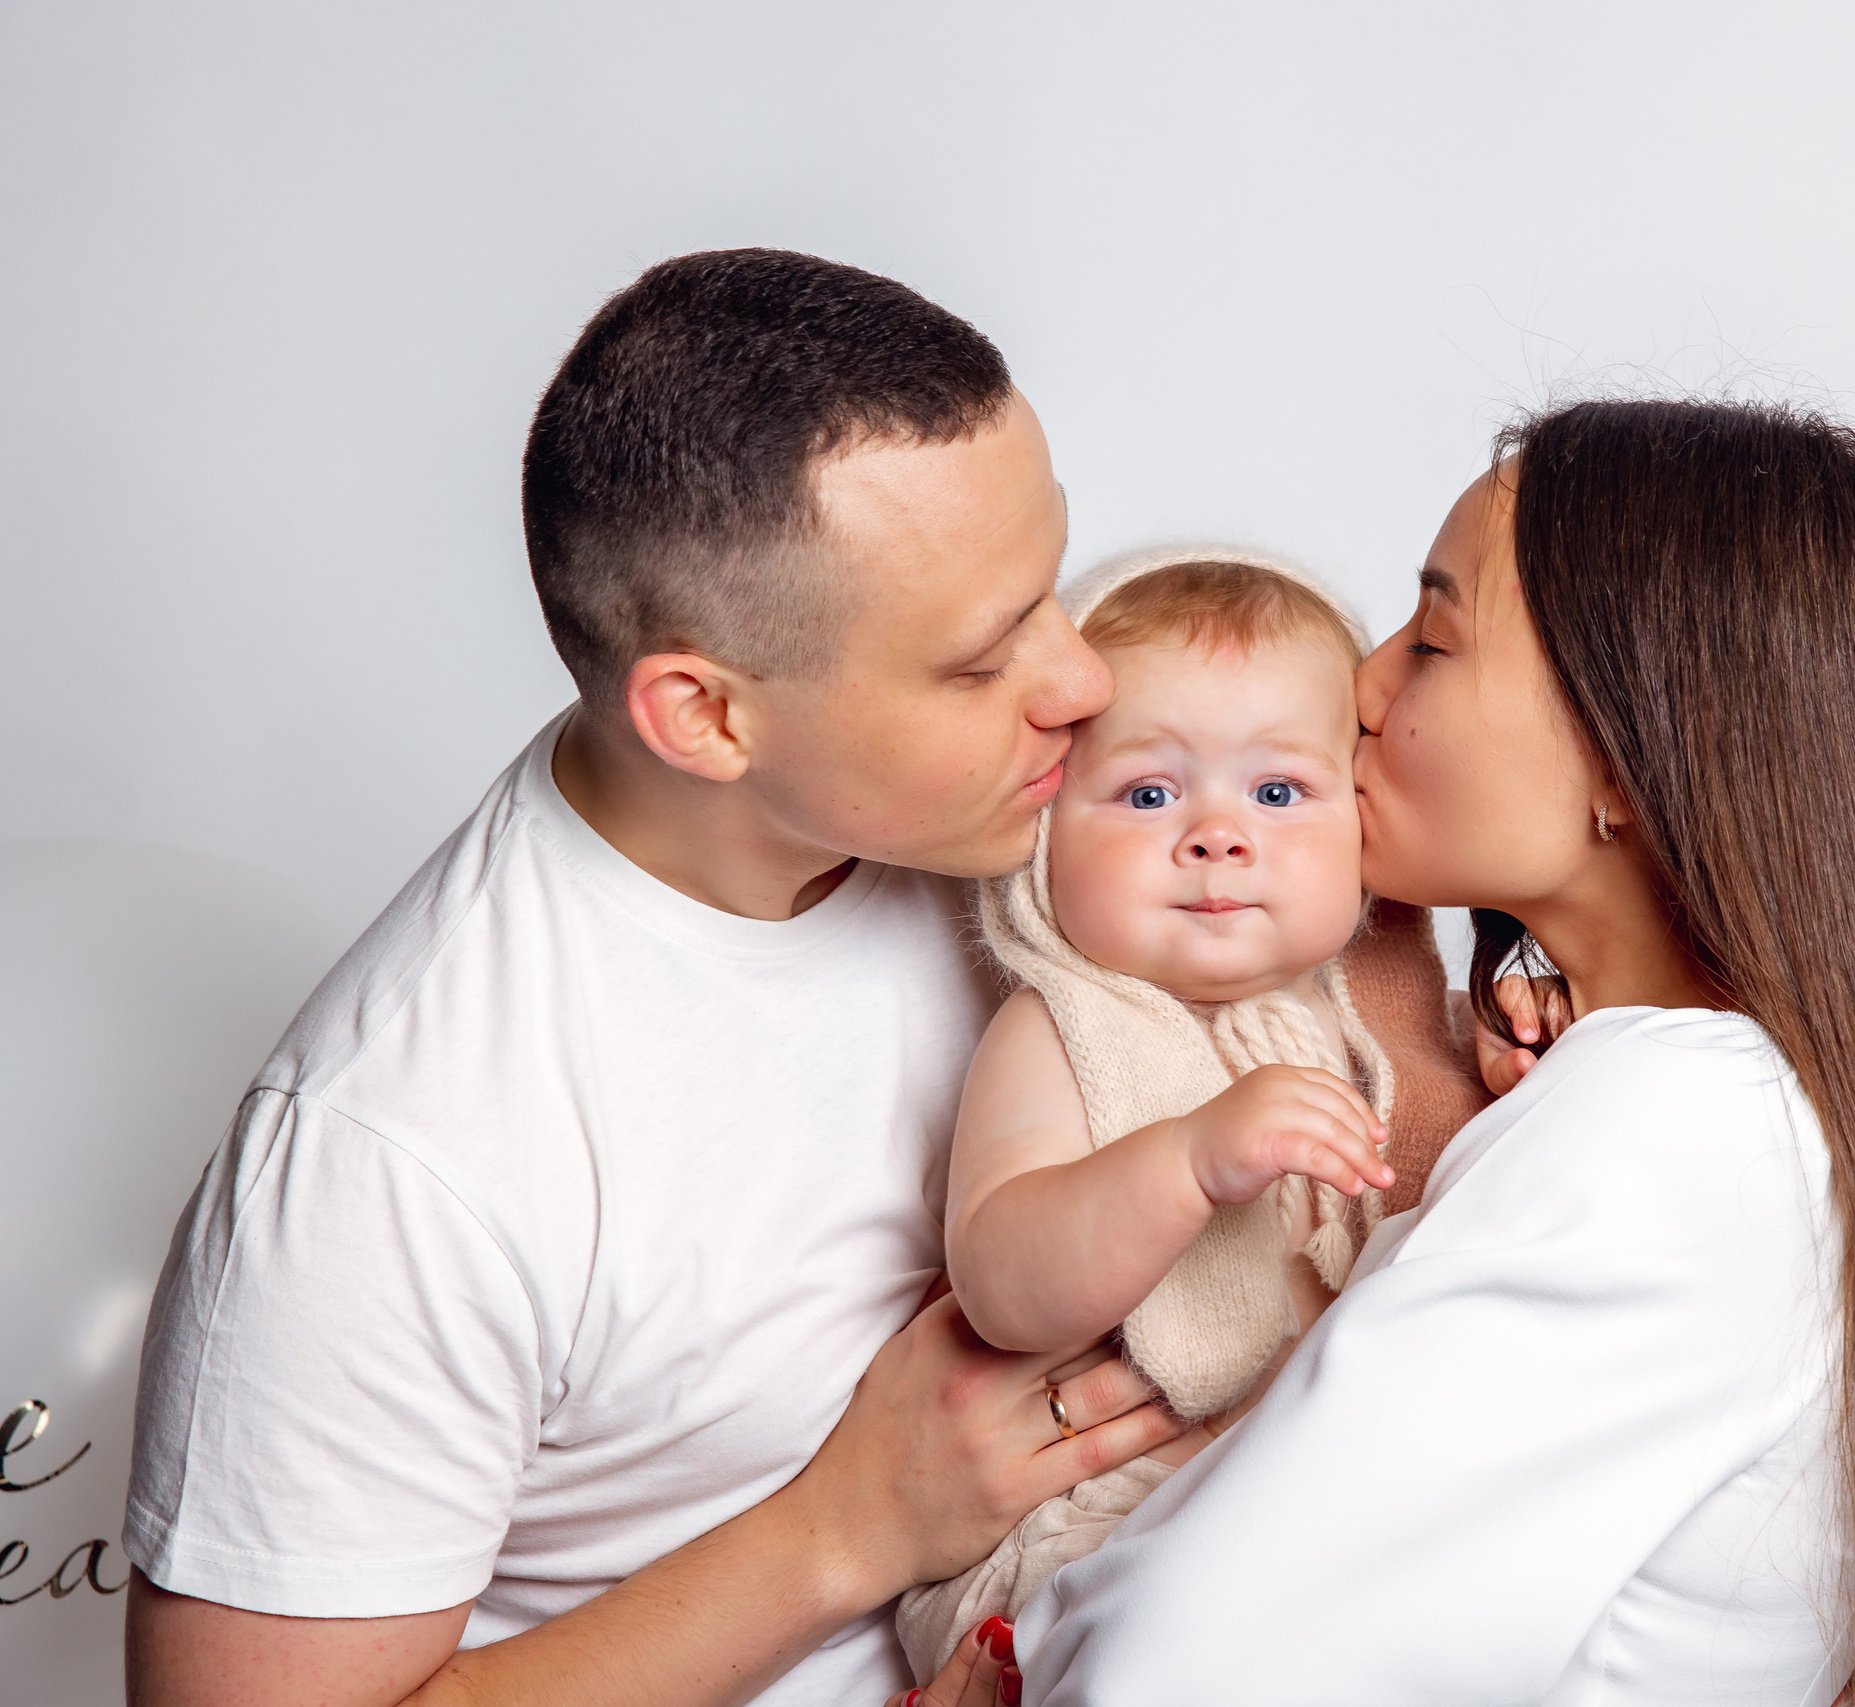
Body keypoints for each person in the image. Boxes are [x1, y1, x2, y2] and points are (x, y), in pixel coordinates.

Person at [119, 249, 1198, 1707]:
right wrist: (843, 1530)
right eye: (977, 660)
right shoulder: (399, 1154)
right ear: (702, 714)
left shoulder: (1018, 814)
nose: (1081, 681)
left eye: (1052, 590)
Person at [1020, 399, 1855, 1707]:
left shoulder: (1674, 1126)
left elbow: (1170, 1671)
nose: (1361, 679)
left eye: (1435, 634)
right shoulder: (1744, 1115)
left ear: (1624, 757)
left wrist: (1016, 1663)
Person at [895, 554, 1402, 1680]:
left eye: (1277, 794)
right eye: (1148, 794)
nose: (1217, 836)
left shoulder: (1350, 1009)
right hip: (1075, 1525)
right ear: (1043, 835)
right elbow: (1002, 1281)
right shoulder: (1059, 1025)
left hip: (1267, 1498)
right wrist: (1188, 1160)